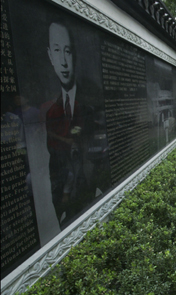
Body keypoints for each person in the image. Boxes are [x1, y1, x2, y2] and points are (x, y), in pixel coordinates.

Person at [46, 21, 99, 227]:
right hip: (64, 175)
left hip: (84, 175)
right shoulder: (50, 108)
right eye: (57, 51)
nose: (63, 62)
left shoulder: (86, 102)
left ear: (74, 55)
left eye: (67, 51)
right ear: (50, 55)